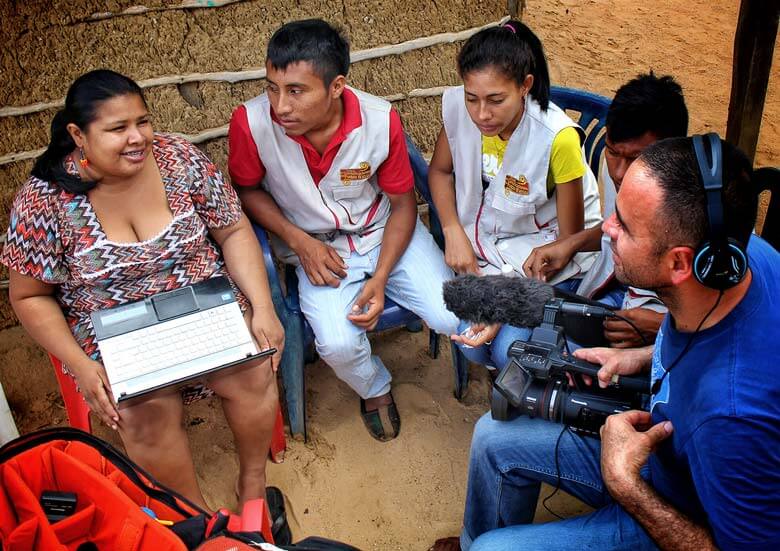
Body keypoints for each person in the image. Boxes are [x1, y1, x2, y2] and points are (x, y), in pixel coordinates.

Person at [435, 136, 780, 550]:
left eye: (626, 227)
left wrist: (626, 485)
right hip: (656, 454)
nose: (608, 230)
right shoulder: (737, 255)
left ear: (679, 263)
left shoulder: (731, 419)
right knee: (493, 438)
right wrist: (644, 354)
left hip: (678, 511)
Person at [0, 70, 285, 511]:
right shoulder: (45, 200)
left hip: (203, 304)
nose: (137, 138)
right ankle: (194, 518)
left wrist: (263, 307)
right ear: (79, 135)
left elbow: (233, 230)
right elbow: (29, 296)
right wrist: (79, 364)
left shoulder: (178, 159)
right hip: (117, 330)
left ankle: (251, 485)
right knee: (140, 410)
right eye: (118, 128)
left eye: (142, 122)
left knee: (252, 369)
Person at [227, 19, 459, 442]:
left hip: (384, 232)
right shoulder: (250, 123)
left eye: (296, 91)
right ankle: (375, 388)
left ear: (336, 86)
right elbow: (246, 189)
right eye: (272, 88)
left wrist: (382, 275)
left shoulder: (378, 118)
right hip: (315, 248)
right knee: (337, 344)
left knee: (450, 314)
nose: (280, 106)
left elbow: (405, 204)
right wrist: (299, 242)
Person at [428, 21, 602, 367]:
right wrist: (452, 230)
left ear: (525, 86)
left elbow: (563, 246)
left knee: (508, 347)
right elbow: (439, 171)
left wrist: (502, 304)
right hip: (486, 248)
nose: (481, 114)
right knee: (471, 341)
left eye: (496, 100)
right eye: (471, 98)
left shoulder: (557, 139)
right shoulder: (461, 113)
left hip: (540, 258)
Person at [524, 72, 689, 348]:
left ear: (671, 153)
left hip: (668, 320)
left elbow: (726, 317)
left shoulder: (694, 209)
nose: (620, 172)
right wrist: (570, 244)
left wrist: (663, 327)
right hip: (617, 291)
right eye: (613, 152)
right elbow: (617, 227)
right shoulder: (624, 174)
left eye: (636, 158)